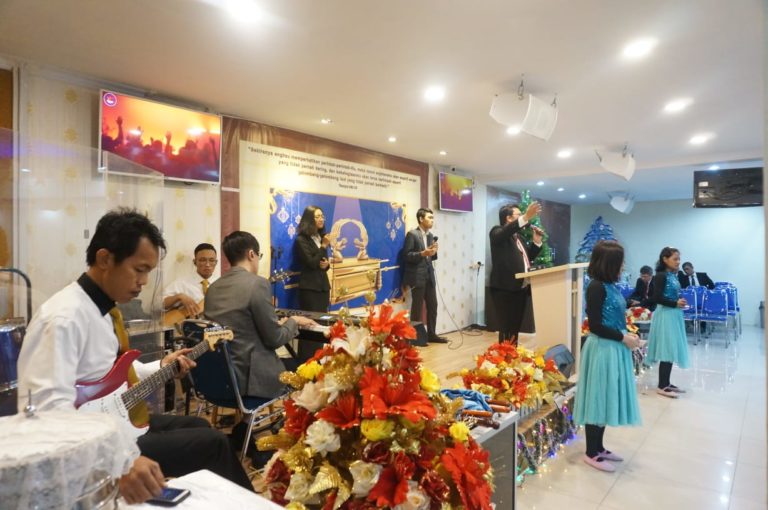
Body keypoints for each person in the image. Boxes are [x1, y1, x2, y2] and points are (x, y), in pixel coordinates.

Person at [16, 209, 252, 504]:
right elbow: (46, 412)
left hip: (113, 421)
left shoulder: (102, 310)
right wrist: (121, 460)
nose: (144, 281)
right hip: (90, 447)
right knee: (214, 443)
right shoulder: (64, 318)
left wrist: (163, 365)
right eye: (139, 269)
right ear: (105, 259)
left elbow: (111, 371)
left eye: (148, 272)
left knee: (200, 426)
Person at [204, 231, 317, 400]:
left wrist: (277, 325)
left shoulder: (212, 288)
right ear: (251, 254)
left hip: (220, 377)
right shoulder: (258, 284)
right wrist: (293, 321)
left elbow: (240, 328)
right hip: (251, 380)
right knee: (309, 368)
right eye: (259, 256)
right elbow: (275, 339)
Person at [573, 240, 642, 472]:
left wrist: (626, 335)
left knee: (605, 396)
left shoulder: (610, 285)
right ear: (609, 263)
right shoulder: (596, 287)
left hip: (613, 347)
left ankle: (599, 447)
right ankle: (591, 452)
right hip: (602, 348)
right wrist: (623, 338)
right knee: (598, 397)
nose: (623, 266)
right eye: (620, 262)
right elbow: (595, 325)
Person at [488, 202, 543, 344]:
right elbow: (505, 232)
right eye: (519, 214)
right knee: (506, 326)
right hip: (504, 288)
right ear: (508, 218)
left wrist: (536, 242)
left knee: (515, 326)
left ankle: (512, 353)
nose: (523, 217)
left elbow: (528, 258)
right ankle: (504, 354)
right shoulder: (496, 232)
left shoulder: (519, 238)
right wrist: (526, 216)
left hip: (521, 287)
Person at [648, 246, 690, 398]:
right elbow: (656, 298)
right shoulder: (660, 276)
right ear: (665, 259)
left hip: (673, 313)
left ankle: (666, 382)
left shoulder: (672, 275)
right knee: (667, 348)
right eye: (675, 259)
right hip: (665, 314)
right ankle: (662, 385)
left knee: (671, 348)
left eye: (679, 259)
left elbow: (671, 295)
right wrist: (675, 303)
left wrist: (678, 302)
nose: (678, 262)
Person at [401, 207, 447, 344]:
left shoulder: (431, 236)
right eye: (429, 218)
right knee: (417, 307)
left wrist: (434, 252)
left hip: (429, 277)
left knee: (433, 306)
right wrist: (422, 253)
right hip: (417, 277)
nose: (432, 220)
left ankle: (432, 334)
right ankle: (415, 338)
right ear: (421, 219)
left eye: (433, 218)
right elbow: (406, 255)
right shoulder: (412, 234)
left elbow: (430, 258)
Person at [293, 206, 331, 360]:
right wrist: (323, 246)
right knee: (310, 327)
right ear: (309, 219)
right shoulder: (301, 240)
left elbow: (321, 262)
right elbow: (310, 263)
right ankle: (306, 362)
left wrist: (326, 264)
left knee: (321, 328)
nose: (321, 219)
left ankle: (317, 361)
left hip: (322, 288)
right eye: (317, 216)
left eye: (322, 216)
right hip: (310, 289)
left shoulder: (320, 237)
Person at [162, 243, 219, 319]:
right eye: (203, 260)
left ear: (216, 262)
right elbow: (160, 304)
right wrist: (179, 297)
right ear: (195, 262)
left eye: (212, 260)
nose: (207, 264)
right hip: (188, 325)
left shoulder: (222, 284)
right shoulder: (182, 283)